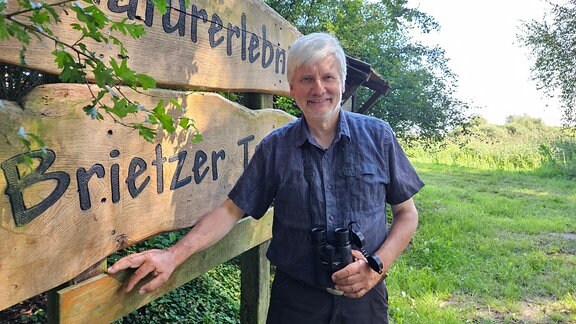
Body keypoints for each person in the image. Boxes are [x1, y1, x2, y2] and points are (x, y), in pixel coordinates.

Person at [107, 32, 424, 323]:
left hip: (366, 300)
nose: (318, 88)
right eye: (306, 79)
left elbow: (407, 215)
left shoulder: (378, 136)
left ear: (342, 83)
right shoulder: (276, 148)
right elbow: (230, 211)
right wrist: (172, 255)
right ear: (291, 88)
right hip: (295, 302)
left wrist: (376, 265)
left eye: (328, 77)